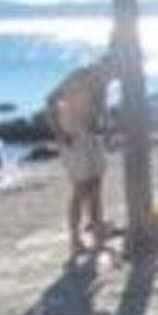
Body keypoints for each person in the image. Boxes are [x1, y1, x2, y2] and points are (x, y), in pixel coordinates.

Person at [45, 55, 114, 256]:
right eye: (110, 69)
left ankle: (98, 237)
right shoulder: (81, 76)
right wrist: (60, 133)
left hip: (91, 137)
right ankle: (75, 241)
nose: (111, 76)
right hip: (74, 135)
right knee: (81, 189)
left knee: (96, 187)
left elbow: (98, 112)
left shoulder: (103, 85)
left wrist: (106, 133)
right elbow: (51, 100)